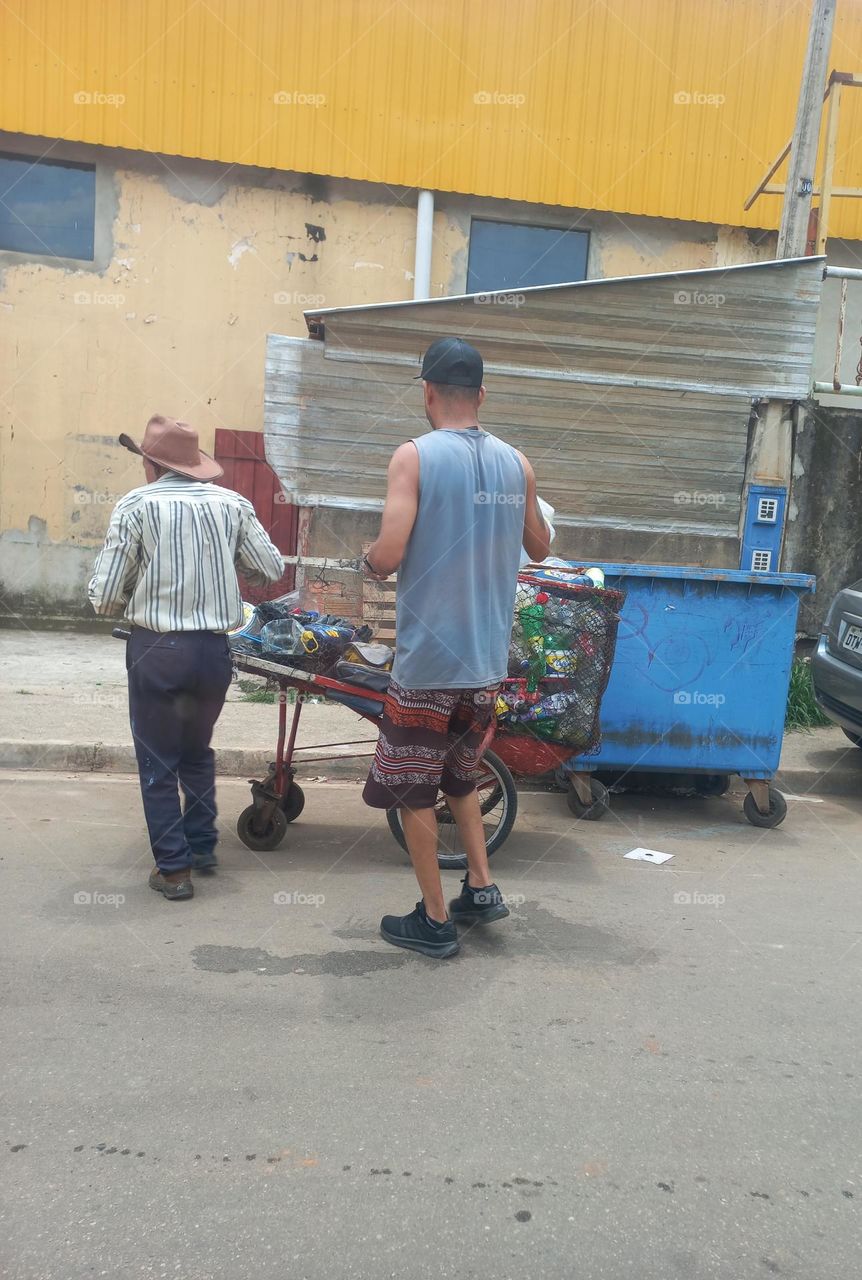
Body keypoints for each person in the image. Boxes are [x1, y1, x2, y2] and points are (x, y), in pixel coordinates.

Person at [361, 337, 550, 958]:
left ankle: (436, 921)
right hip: (485, 663)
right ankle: (481, 884)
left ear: (428, 392)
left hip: (429, 664)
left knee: (415, 787)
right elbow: (541, 546)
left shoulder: (412, 458)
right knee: (460, 775)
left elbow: (387, 556)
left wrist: (368, 558)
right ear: (483, 395)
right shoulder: (516, 463)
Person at [88, 415, 284, 901]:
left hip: (156, 650)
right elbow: (270, 568)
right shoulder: (231, 504)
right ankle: (200, 846)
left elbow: (107, 596)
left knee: (158, 760)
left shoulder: (136, 506)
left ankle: (174, 870)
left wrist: (139, 587)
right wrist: (226, 561)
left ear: (151, 463)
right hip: (212, 653)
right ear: (194, 464)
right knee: (196, 751)